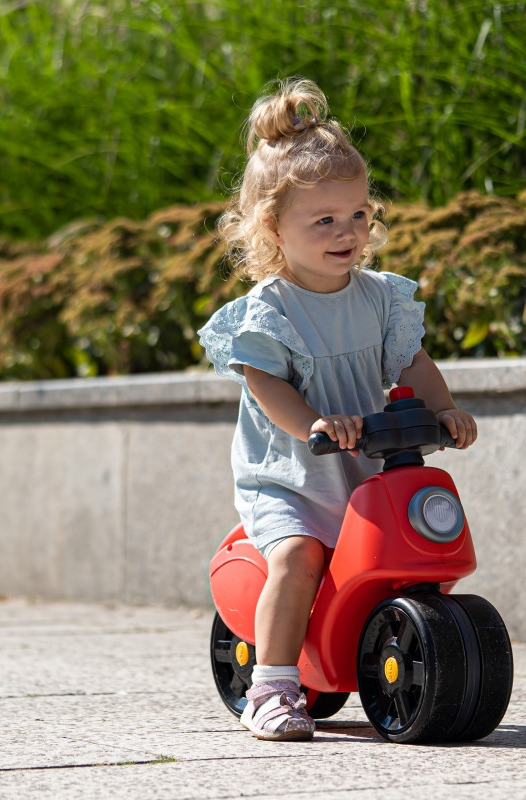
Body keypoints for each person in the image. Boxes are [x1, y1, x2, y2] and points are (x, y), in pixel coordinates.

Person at [198, 77, 477, 741]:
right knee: (297, 557)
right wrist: (313, 424)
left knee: (396, 554)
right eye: (323, 220)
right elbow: (266, 386)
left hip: (365, 469)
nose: (346, 231)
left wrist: (444, 408)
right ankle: (270, 686)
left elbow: (410, 362)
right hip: (293, 476)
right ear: (273, 227)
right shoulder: (270, 311)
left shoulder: (380, 298)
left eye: (357, 214)